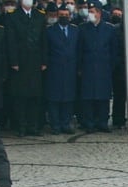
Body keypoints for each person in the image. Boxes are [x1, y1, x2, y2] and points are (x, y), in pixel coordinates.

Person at [4, 0, 48, 136]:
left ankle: (33, 126)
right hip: (21, 63)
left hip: (35, 62)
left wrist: (44, 60)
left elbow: (43, 39)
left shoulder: (39, 15)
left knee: (35, 96)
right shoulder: (12, 16)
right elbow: (10, 40)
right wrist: (14, 61)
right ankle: (21, 126)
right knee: (20, 96)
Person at [77, 0, 117, 132]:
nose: (90, 14)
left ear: (99, 13)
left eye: (92, 12)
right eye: (89, 11)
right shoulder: (83, 28)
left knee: (103, 97)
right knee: (88, 97)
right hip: (88, 68)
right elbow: (80, 50)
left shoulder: (109, 29)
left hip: (103, 68)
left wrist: (110, 66)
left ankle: (102, 122)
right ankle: (89, 122)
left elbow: (113, 50)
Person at [44, 2, 77, 134]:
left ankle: (65, 123)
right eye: (61, 15)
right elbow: (46, 50)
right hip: (54, 69)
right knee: (54, 99)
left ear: (70, 16)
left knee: (68, 99)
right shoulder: (50, 31)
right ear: (57, 16)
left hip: (70, 70)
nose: (64, 17)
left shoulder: (75, 30)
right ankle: (55, 125)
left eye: (66, 15)